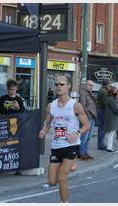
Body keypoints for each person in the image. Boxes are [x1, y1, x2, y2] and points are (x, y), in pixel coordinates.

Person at [38, 75, 90, 203]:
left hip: (71, 145)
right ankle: (70, 164)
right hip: (56, 146)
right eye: (56, 85)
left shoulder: (75, 105)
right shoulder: (51, 106)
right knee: (51, 181)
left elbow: (87, 125)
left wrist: (77, 133)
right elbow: (48, 122)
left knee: (62, 177)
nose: (58, 87)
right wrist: (44, 130)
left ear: (68, 86)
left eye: (62, 84)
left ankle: (64, 203)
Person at [78, 80, 97, 160]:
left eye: (92, 85)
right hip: (87, 117)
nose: (91, 87)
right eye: (89, 85)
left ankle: (85, 152)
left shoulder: (90, 93)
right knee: (84, 136)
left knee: (88, 137)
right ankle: (81, 153)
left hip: (92, 117)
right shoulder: (83, 93)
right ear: (85, 85)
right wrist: (88, 115)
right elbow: (82, 105)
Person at [104, 86, 118, 152]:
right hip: (112, 118)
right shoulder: (111, 99)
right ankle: (109, 147)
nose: (117, 92)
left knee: (110, 133)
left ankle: (109, 146)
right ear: (112, 92)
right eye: (115, 91)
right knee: (111, 133)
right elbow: (116, 108)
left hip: (112, 118)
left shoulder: (111, 98)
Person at [96, 79, 110, 150]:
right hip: (102, 110)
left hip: (100, 109)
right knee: (102, 127)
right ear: (107, 84)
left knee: (101, 127)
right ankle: (101, 144)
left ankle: (101, 143)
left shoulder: (102, 89)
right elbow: (105, 103)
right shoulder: (104, 91)